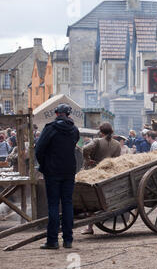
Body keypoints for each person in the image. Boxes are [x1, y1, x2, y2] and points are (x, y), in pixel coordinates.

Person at [35, 104, 80, 249]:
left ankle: (52, 240)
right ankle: (68, 240)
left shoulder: (50, 128)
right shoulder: (74, 130)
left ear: (57, 114)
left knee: (54, 205)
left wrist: (44, 165)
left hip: (52, 171)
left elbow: (39, 149)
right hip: (69, 171)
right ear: (68, 115)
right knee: (67, 204)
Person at [81, 122, 121, 235]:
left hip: (94, 173)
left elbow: (85, 149)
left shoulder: (97, 141)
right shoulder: (117, 144)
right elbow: (117, 160)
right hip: (108, 174)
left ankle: (89, 227)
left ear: (101, 132)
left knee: (90, 199)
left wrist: (88, 159)